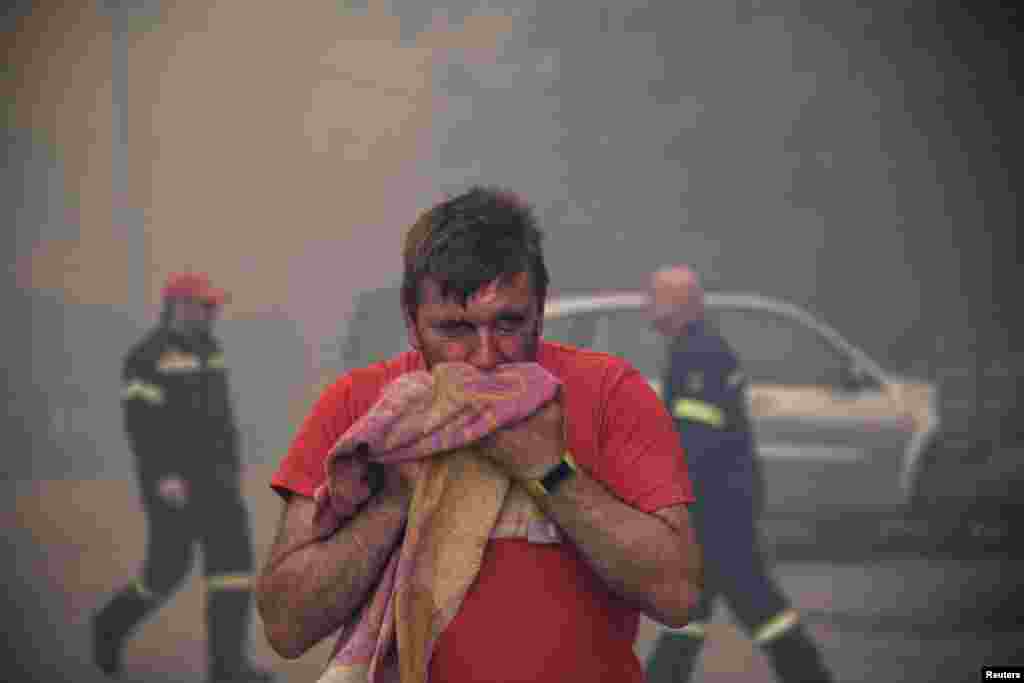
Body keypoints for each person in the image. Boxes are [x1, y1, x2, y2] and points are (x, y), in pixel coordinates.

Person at [255, 186, 704, 683]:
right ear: (411, 322)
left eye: (509, 324)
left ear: (540, 308)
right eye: (454, 330)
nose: (486, 356)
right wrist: (396, 500)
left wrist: (550, 472)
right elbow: (285, 624)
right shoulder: (362, 411)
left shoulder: (608, 392)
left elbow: (677, 594)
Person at [644, 265, 834, 683]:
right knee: (698, 606)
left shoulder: (699, 355)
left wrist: (674, 502)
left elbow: (697, 442)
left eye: (656, 297)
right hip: (720, 502)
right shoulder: (695, 348)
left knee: (751, 600)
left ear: (682, 305)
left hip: (718, 507)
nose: (647, 305)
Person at [92, 272, 273, 683]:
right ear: (179, 306)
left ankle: (227, 669)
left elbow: (221, 418)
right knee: (166, 572)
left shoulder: (211, 349)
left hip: (220, 483)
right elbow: (142, 426)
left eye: (214, 307)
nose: (213, 314)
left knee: (234, 571)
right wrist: (164, 476)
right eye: (205, 306)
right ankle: (108, 625)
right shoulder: (145, 358)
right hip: (174, 486)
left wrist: (233, 465)